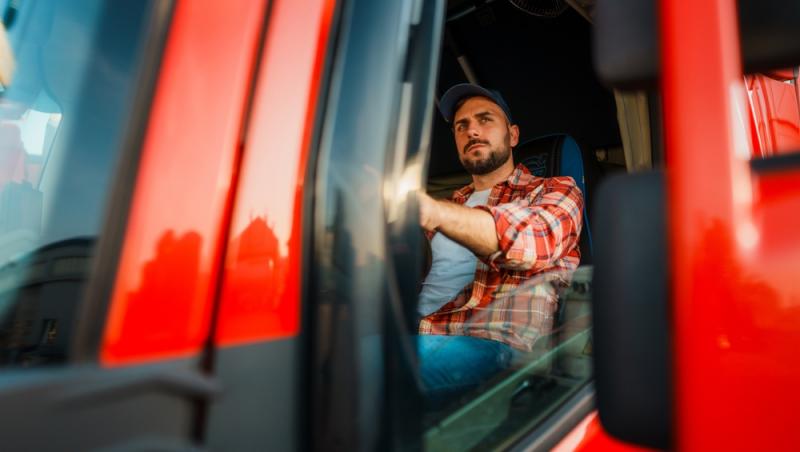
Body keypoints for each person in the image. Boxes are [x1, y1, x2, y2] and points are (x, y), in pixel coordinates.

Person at [416, 83, 584, 406]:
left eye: (485, 119)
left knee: (360, 366)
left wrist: (434, 212)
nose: (472, 131)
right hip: (421, 332)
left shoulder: (556, 190)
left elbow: (532, 243)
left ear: (514, 135)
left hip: (497, 348)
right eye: (461, 126)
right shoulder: (453, 203)